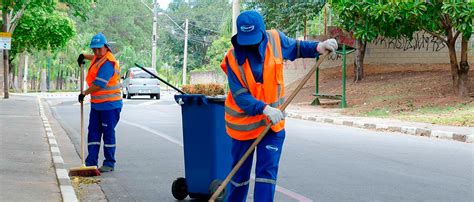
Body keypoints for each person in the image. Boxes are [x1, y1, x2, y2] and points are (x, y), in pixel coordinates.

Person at [220, 11, 337, 201]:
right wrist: (265, 109)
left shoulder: (275, 39)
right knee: (239, 177)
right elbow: (240, 96)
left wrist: (319, 46)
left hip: (272, 125)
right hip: (244, 128)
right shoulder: (232, 58)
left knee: (266, 176)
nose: (249, 44)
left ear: (262, 32)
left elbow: (297, 47)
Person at [77, 33, 122, 173]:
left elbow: (99, 85)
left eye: (99, 49)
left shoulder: (109, 62)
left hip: (110, 105)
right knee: (94, 133)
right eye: (94, 49)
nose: (96, 52)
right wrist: (83, 56)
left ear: (106, 47)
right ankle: (91, 162)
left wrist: (84, 93)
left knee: (107, 133)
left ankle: (109, 163)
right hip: (97, 105)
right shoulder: (98, 56)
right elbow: (94, 58)